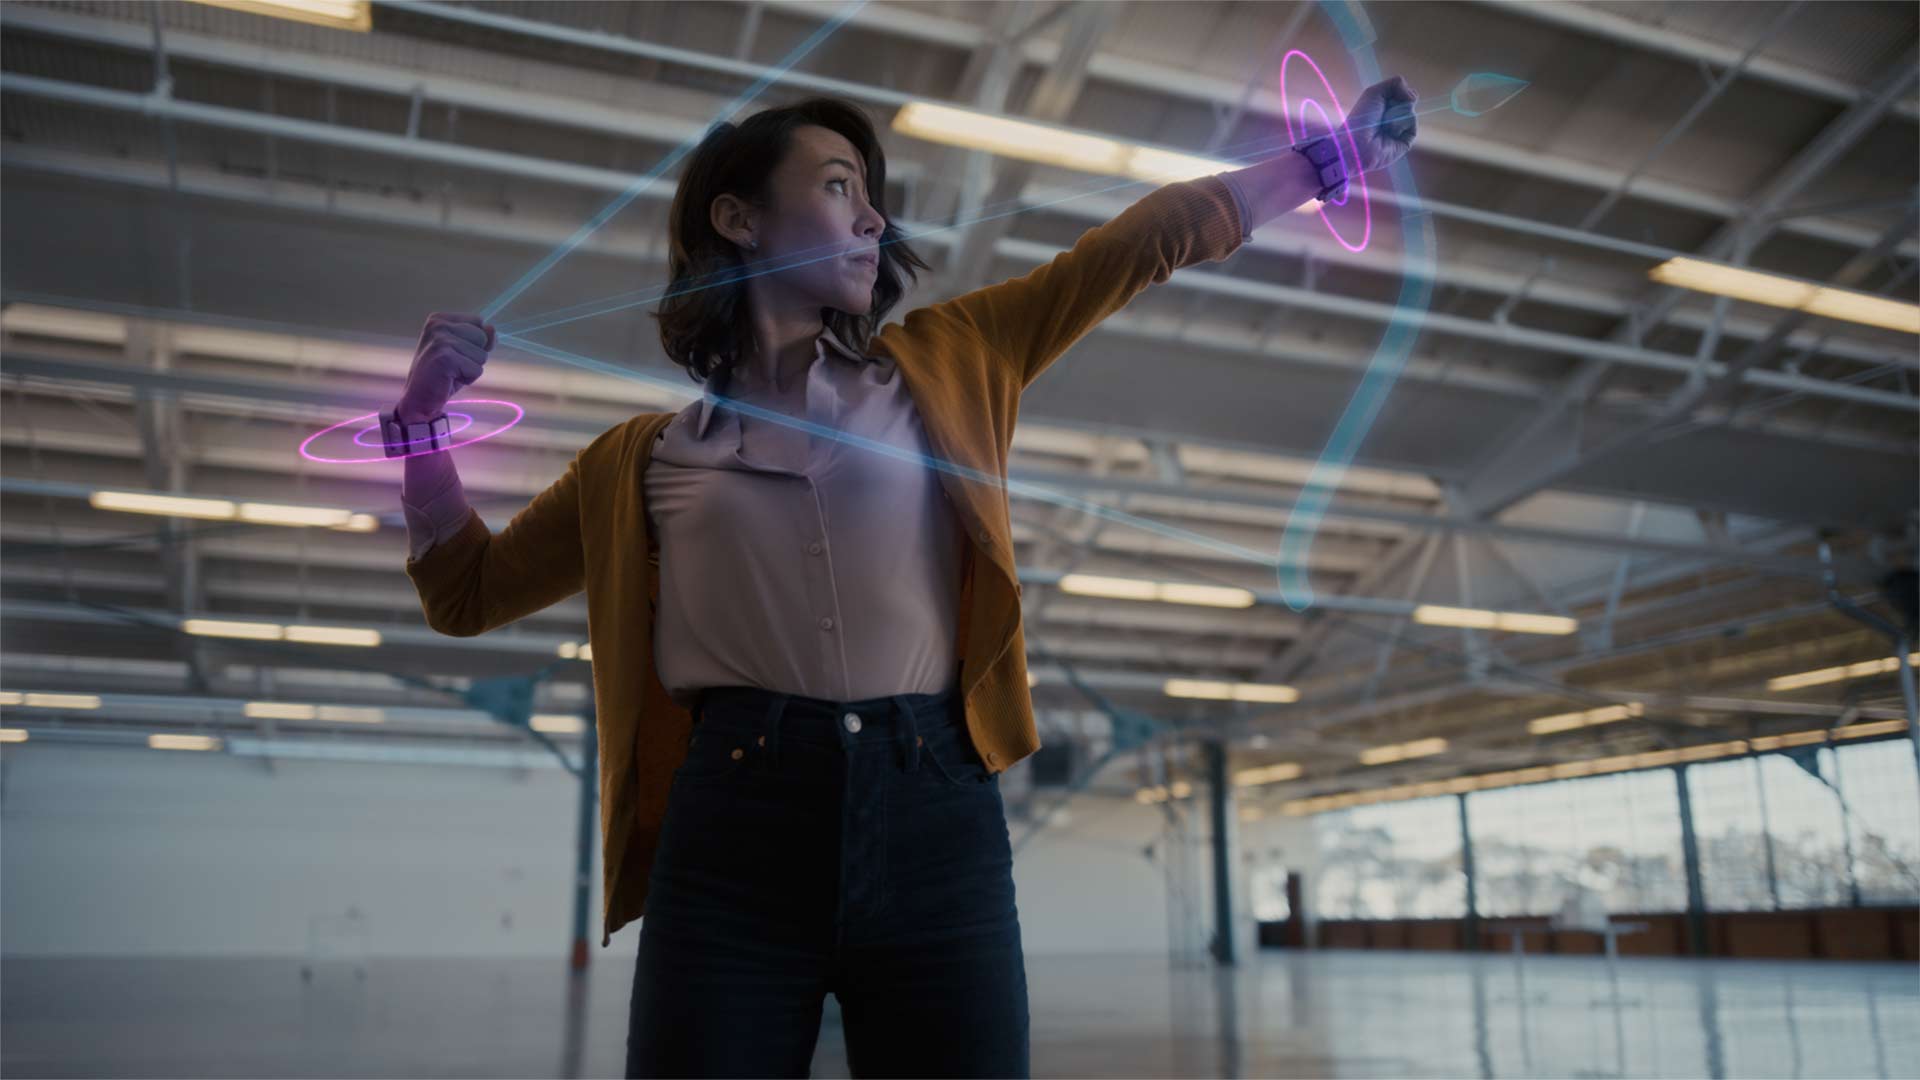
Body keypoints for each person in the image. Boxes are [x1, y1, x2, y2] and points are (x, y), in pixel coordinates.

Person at [395, 82, 1415, 1079]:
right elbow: (465, 593)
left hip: (937, 817)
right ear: (739, 219)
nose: (874, 216)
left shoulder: (951, 362)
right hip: (735, 836)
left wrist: (1325, 162)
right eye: (839, 184)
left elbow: (1138, 246)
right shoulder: (638, 462)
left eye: (870, 194)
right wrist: (422, 427)